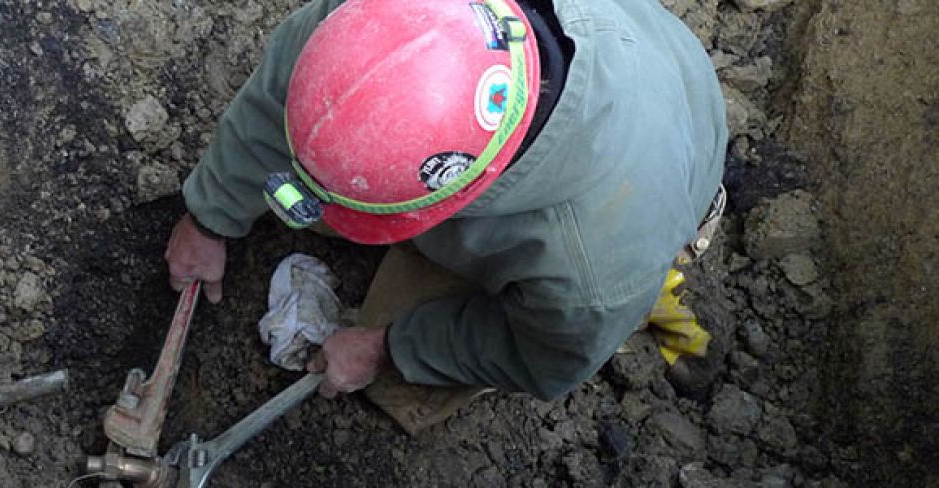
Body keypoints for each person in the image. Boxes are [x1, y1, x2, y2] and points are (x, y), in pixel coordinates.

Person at [165, 0, 726, 434]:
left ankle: (662, 290)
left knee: (399, 384)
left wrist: (389, 347)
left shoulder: (589, 268)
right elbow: (283, 92)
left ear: (446, 201)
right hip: (623, 40)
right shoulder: (398, 24)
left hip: (661, 146)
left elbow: (536, 358)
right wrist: (209, 216)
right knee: (294, 189)